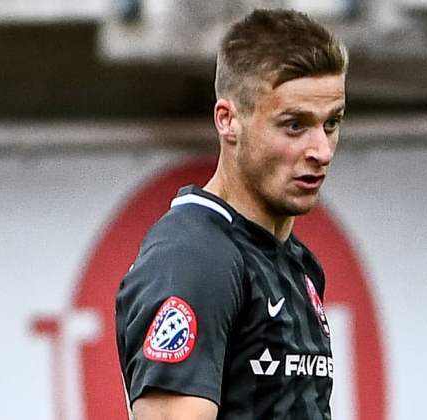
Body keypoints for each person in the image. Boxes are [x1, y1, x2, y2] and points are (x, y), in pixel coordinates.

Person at [115, 8, 347, 419]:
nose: (321, 150)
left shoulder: (297, 263)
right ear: (228, 121)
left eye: (331, 124)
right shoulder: (195, 257)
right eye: (294, 126)